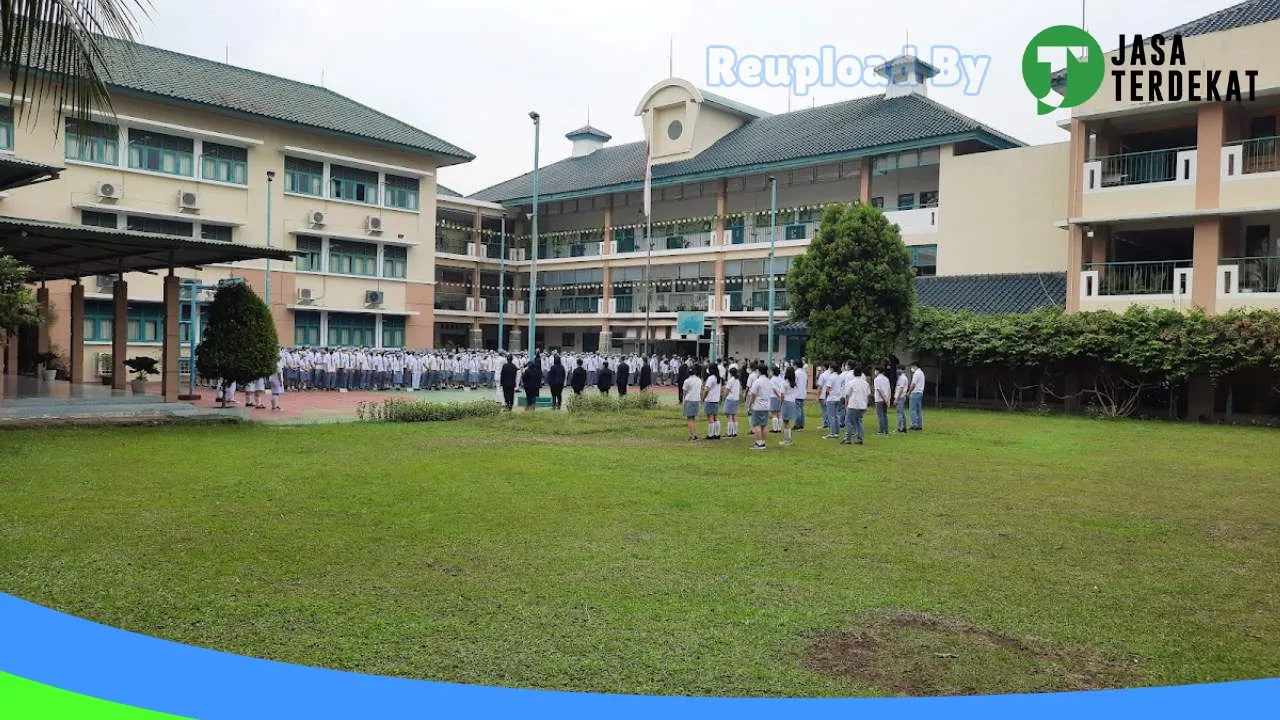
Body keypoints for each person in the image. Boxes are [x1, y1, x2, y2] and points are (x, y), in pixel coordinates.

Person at [745, 363, 776, 451]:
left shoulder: (757, 381)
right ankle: (762, 442)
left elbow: (753, 395)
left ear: (759, 371)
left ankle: (759, 442)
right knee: (764, 425)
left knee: (756, 425)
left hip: (757, 406)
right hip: (766, 406)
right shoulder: (769, 381)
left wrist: (750, 406)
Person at [843, 367, 871, 445]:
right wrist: (866, 404)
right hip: (862, 405)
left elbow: (847, 395)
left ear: (854, 373)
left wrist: (846, 404)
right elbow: (868, 395)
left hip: (853, 404)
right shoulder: (866, 383)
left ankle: (848, 439)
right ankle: (859, 438)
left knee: (849, 421)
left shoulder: (851, 383)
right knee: (859, 421)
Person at [682, 367, 703, 442]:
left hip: (689, 399)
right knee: (693, 418)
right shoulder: (699, 380)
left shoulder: (687, 381)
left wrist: (684, 401)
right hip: (697, 400)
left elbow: (684, 392)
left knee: (689, 419)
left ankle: (692, 436)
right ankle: (695, 434)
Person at [781, 365, 800, 446]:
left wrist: (781, 403)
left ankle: (787, 440)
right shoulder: (794, 383)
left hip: (786, 402)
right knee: (787, 422)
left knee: (785, 422)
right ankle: (788, 439)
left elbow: (782, 395)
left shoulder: (784, 382)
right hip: (792, 402)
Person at [702, 365, 722, 440]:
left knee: (710, 418)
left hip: (710, 399)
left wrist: (703, 398)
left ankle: (710, 435)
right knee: (715, 417)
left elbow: (706, 389)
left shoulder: (710, 378)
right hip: (716, 400)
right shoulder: (718, 378)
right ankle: (717, 434)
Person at [723, 367, 741, 439]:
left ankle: (729, 433)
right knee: (734, 415)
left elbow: (727, 390)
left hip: (730, 399)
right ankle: (734, 432)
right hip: (736, 399)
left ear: (730, 373)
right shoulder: (737, 380)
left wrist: (724, 396)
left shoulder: (731, 380)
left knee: (729, 416)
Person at [873, 367, 892, 436]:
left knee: (880, 415)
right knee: (885, 415)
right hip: (886, 398)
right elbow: (889, 389)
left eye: (875, 370)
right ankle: (886, 431)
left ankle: (881, 431)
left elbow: (879, 390)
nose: (874, 372)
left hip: (879, 399)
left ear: (878, 371)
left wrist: (885, 399)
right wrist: (888, 399)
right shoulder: (886, 379)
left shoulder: (876, 379)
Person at [908, 363, 926, 431]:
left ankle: (914, 425)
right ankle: (919, 425)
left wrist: (909, 392)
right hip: (920, 392)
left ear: (915, 366)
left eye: (911, 367)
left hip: (915, 393)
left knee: (913, 409)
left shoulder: (916, 373)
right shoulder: (921, 373)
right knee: (918, 410)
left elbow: (913, 384)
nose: (911, 369)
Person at [793, 360, 808, 430]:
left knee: (797, 410)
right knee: (801, 410)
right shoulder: (804, 373)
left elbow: (794, 383)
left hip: (797, 394)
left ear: (796, 365)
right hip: (803, 393)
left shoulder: (796, 373)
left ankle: (797, 425)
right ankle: (801, 424)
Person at [895, 367, 910, 434]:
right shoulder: (902, 378)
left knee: (899, 413)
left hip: (900, 397)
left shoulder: (902, 378)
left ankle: (899, 428)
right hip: (901, 397)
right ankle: (904, 427)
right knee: (902, 413)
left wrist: (897, 398)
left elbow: (901, 389)